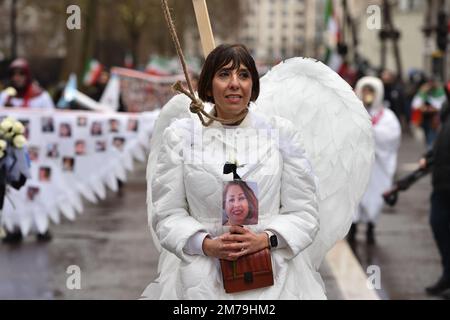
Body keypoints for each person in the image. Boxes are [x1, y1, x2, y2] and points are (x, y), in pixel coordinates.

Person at [141, 44, 323, 299]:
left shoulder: (281, 133)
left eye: (244, 75)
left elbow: (304, 211)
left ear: (253, 85)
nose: (235, 83)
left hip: (275, 282)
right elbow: (167, 213)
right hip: (201, 285)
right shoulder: (180, 137)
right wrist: (206, 245)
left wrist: (266, 240)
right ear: (208, 85)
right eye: (224, 74)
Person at [348, 76, 401, 245]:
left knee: (374, 197)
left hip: (376, 167)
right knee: (353, 197)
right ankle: (353, 227)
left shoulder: (387, 116)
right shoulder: (351, 112)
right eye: (365, 90)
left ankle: (371, 226)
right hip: (356, 165)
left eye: (371, 91)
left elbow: (392, 136)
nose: (368, 95)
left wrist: (372, 131)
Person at [419, 101, 450, 298]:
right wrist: (428, 156)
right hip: (441, 185)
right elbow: (443, 137)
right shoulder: (446, 108)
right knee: (438, 224)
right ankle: (448, 273)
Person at [411, 76, 446, 148]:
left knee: (432, 140)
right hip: (425, 120)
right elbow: (415, 104)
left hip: (436, 120)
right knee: (428, 139)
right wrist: (422, 92)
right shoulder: (424, 91)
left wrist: (431, 109)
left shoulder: (441, 92)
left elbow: (442, 105)